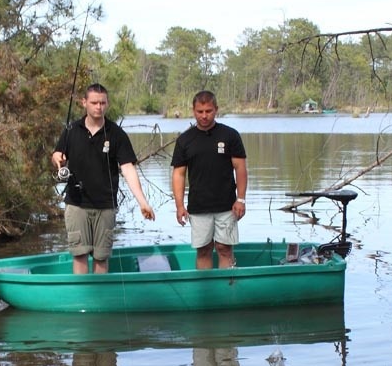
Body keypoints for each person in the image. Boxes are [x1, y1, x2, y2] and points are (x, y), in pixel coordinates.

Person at [52, 83, 155, 274]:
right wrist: (57, 157)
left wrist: (143, 202)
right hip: (77, 203)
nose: (98, 107)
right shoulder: (71, 129)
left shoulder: (116, 134)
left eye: (102, 103)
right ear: (84, 103)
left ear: (107, 104)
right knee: (80, 254)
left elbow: (128, 169)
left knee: (101, 257)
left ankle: (99, 299)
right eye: (94, 103)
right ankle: (81, 299)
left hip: (105, 205)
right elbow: (57, 153)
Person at [171, 90, 248, 269]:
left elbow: (241, 168)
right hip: (198, 206)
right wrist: (179, 205)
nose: (204, 116)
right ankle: (205, 290)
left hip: (227, 205)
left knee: (224, 248)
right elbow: (179, 174)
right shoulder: (185, 140)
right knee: (204, 249)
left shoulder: (230, 135)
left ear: (216, 110)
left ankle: (227, 290)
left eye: (208, 111)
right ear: (193, 110)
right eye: (200, 111)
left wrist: (241, 199)